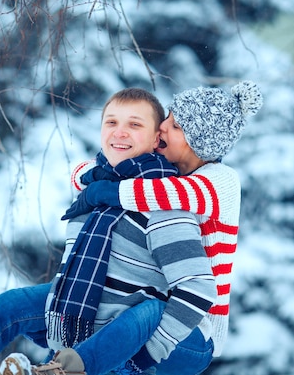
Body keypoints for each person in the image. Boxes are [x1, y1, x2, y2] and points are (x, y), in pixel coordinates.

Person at [0, 88, 216, 375]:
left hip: (165, 338)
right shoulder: (93, 193)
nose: (120, 132)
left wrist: (145, 356)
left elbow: (197, 289)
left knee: (148, 309)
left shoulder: (163, 201)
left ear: (157, 138)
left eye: (135, 124)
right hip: (99, 318)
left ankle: (62, 370)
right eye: (112, 122)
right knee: (12, 304)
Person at [57, 81, 263, 368]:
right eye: (168, 117)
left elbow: (161, 195)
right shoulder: (168, 171)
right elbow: (88, 169)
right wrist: (95, 177)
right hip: (154, 310)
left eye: (176, 126)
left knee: (143, 315)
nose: (163, 127)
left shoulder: (221, 181)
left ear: (197, 143)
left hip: (194, 329)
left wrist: (101, 191)